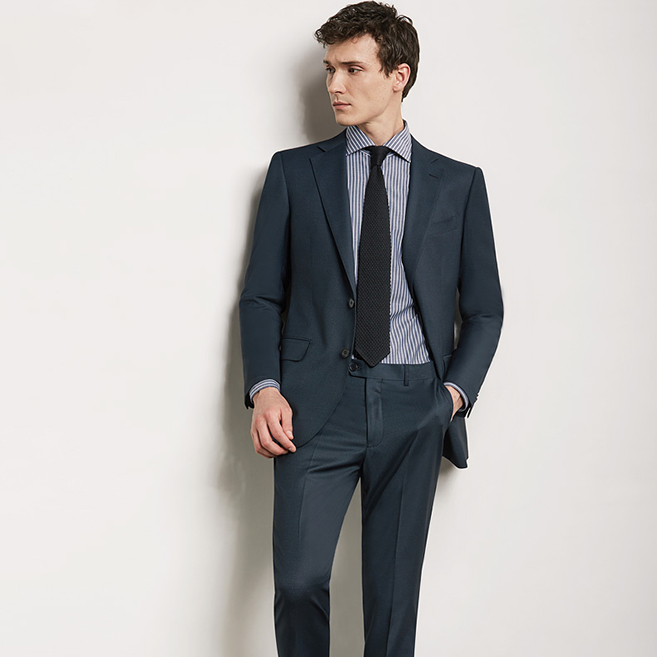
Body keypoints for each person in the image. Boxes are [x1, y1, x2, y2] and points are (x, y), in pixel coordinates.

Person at [239, 2, 503, 654]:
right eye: (330, 69)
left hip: (415, 403)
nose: (334, 84)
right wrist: (265, 387)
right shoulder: (294, 172)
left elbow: (485, 310)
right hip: (311, 406)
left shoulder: (458, 184)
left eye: (352, 69)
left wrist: (449, 397)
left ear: (397, 75)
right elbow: (261, 296)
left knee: (391, 606)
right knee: (299, 581)